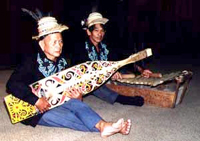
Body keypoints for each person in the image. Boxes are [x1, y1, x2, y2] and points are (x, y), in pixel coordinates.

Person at [6, 8, 131, 138]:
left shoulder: (63, 62)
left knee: (76, 104)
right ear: (42, 44)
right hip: (34, 109)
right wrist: (36, 100)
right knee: (66, 119)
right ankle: (106, 126)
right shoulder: (31, 61)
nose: (58, 46)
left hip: (58, 102)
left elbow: (67, 89)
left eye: (60, 41)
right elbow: (12, 84)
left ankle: (104, 126)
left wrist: (77, 96)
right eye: (53, 42)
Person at [71, 12, 153, 106]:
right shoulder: (80, 48)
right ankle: (123, 99)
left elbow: (121, 59)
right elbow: (81, 71)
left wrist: (141, 70)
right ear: (89, 32)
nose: (100, 34)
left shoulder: (105, 47)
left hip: (106, 76)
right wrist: (109, 72)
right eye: (96, 30)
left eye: (102, 31)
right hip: (88, 79)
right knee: (95, 84)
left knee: (125, 68)